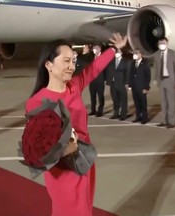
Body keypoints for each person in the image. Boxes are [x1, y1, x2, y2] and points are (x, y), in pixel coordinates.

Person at [25, 33, 127, 216]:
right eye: (66, 61)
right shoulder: (37, 102)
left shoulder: (74, 86)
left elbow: (94, 68)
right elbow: (35, 147)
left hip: (84, 160)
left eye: (73, 61)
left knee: (84, 209)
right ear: (48, 65)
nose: (72, 66)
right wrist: (62, 150)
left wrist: (114, 49)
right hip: (62, 169)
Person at [153, 37, 175, 128]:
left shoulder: (173, 53)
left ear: (167, 43)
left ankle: (172, 122)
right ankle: (164, 121)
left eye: (163, 43)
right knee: (163, 102)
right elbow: (156, 68)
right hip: (161, 80)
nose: (162, 44)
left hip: (170, 80)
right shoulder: (157, 54)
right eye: (160, 43)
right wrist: (155, 79)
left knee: (171, 102)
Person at [106, 49, 130, 120]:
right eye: (116, 52)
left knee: (123, 99)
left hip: (122, 83)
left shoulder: (126, 61)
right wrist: (108, 81)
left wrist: (127, 83)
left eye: (118, 52)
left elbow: (127, 73)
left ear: (121, 53)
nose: (117, 53)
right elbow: (108, 71)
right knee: (115, 99)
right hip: (113, 83)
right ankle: (116, 113)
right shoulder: (111, 61)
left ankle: (123, 114)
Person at [129, 49, 151, 124]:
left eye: (136, 53)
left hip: (142, 87)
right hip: (134, 87)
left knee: (143, 103)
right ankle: (138, 117)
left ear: (141, 54)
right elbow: (131, 75)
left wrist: (146, 87)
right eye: (134, 53)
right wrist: (130, 85)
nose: (134, 54)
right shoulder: (132, 63)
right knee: (136, 103)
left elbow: (148, 76)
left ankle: (145, 118)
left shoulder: (145, 63)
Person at [88, 44, 107, 117]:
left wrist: (105, 79)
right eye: (93, 48)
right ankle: (93, 110)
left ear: (100, 49)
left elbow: (106, 69)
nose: (94, 49)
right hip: (92, 80)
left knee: (100, 96)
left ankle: (100, 110)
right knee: (92, 96)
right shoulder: (91, 58)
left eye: (96, 48)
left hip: (100, 80)